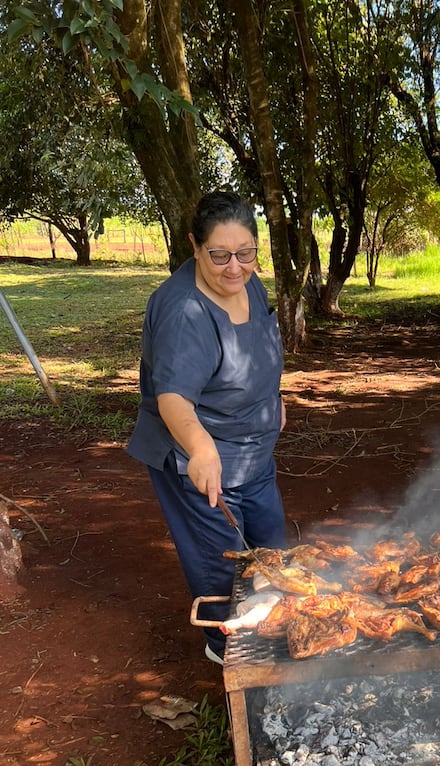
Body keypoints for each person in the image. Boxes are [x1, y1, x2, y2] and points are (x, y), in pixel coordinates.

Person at [128, 190, 286, 665]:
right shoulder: (184, 312)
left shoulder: (246, 281)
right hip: (200, 460)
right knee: (223, 570)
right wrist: (200, 447)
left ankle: (274, 633)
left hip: (253, 452)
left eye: (245, 253)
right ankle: (228, 653)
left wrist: (272, 398)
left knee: (274, 554)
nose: (233, 267)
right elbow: (173, 397)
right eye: (219, 255)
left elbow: (258, 347)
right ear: (195, 246)